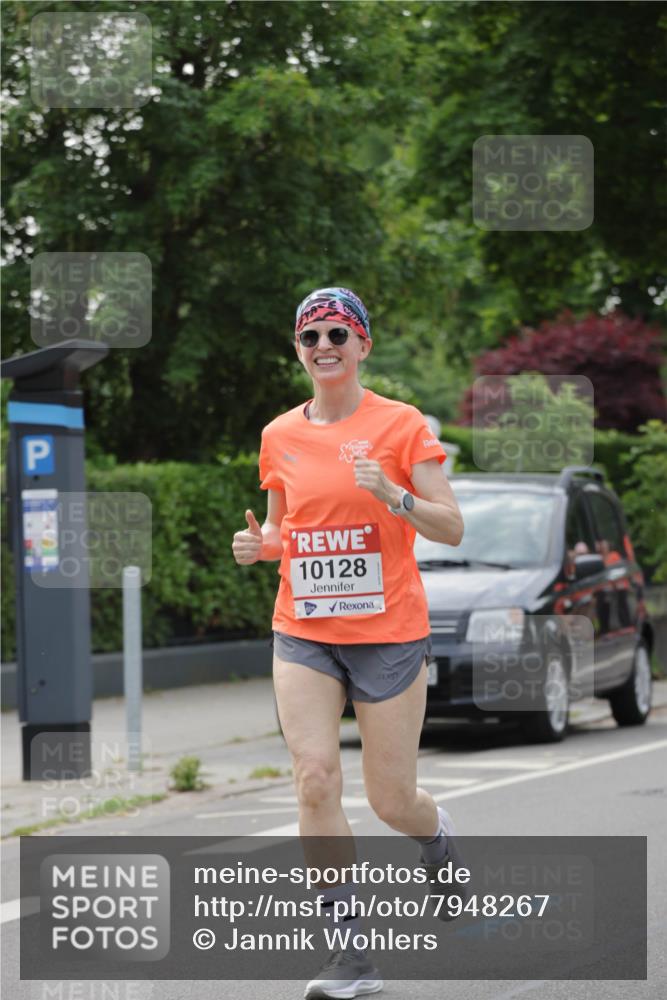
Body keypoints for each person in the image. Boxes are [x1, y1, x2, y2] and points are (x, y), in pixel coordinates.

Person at [232, 287, 465, 1000]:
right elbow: (284, 532)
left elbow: (451, 527)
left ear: (362, 344)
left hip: (388, 633)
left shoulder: (400, 424)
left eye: (338, 333)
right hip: (303, 629)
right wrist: (260, 547)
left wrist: (394, 495)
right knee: (314, 778)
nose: (324, 345)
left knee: (392, 800)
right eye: (311, 336)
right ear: (298, 351)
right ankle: (350, 954)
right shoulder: (279, 435)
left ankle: (436, 837)